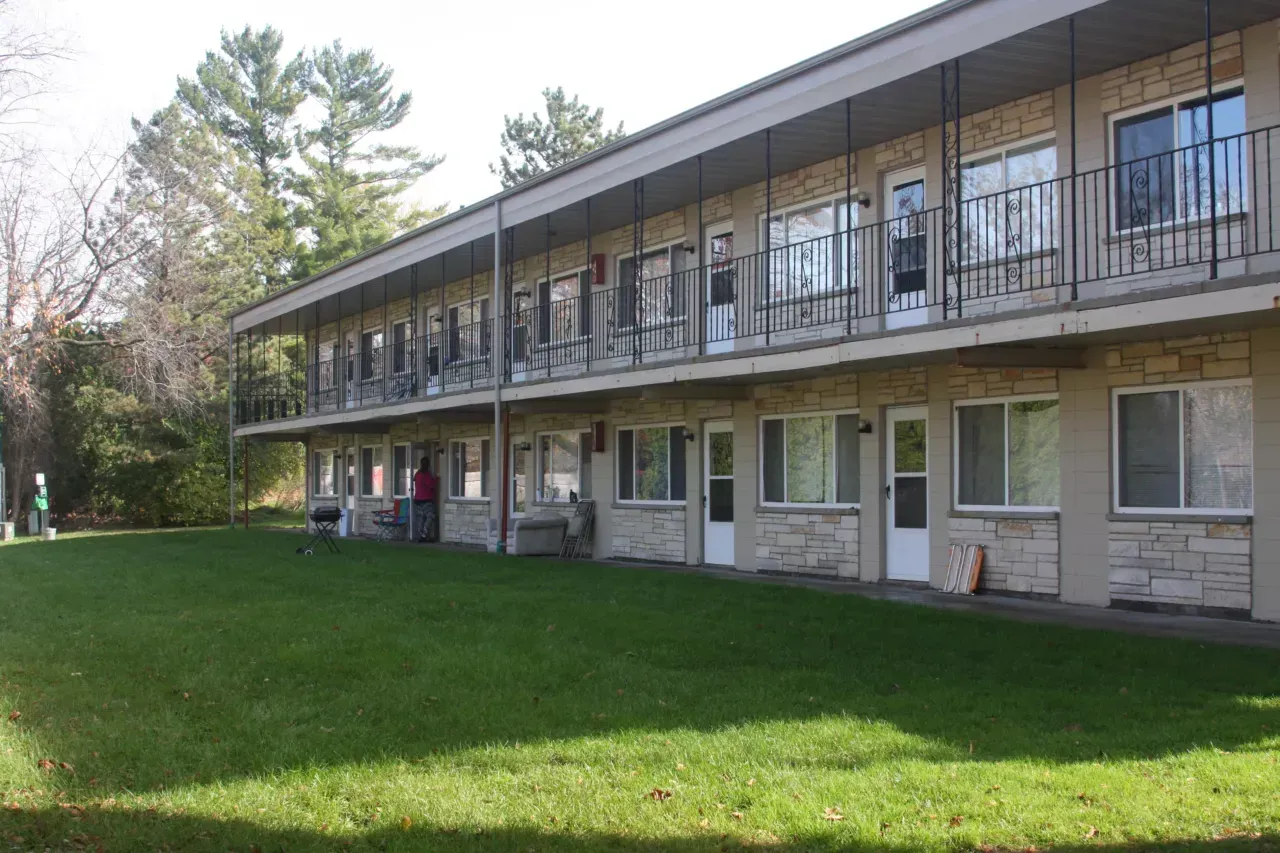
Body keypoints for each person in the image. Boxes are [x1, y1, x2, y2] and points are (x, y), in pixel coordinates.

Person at [413, 457, 438, 543]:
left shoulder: (417, 474)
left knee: (420, 518)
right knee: (430, 516)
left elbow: (414, 480)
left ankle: (421, 536)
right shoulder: (426, 475)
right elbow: (432, 485)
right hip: (426, 499)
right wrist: (436, 479)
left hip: (417, 500)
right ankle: (424, 534)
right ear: (428, 465)